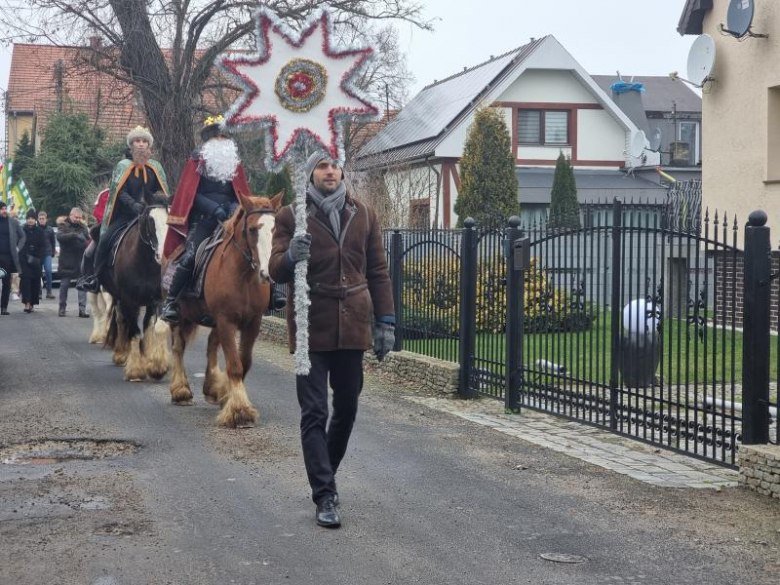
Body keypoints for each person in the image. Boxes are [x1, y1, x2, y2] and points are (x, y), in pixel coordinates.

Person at [268, 152, 396, 529]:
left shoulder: (365, 214)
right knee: (314, 413)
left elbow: (377, 270)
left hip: (353, 322)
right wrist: (291, 256)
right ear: (311, 172)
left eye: (334, 165)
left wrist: (385, 320)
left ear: (341, 171)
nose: (329, 171)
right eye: (322, 166)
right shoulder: (291, 215)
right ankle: (324, 494)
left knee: (348, 409)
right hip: (312, 324)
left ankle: (326, 470)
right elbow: (274, 268)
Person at [159, 115, 252, 322]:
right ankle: (171, 302)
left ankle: (269, 295)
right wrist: (214, 209)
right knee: (191, 256)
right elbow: (190, 193)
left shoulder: (235, 162)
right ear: (208, 139)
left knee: (254, 247)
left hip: (231, 218)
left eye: (222, 135)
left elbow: (239, 192)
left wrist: (235, 209)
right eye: (215, 136)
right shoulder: (196, 160)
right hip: (203, 219)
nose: (220, 139)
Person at [78, 127, 169, 293]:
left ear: (149, 145)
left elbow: (160, 191)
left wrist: (153, 203)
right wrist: (134, 205)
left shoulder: (155, 167)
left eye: (144, 141)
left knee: (166, 240)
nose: (140, 145)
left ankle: (171, 279)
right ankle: (95, 278)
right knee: (104, 240)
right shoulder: (122, 166)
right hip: (126, 216)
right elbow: (119, 192)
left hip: (149, 215)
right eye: (137, 141)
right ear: (131, 145)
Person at [56, 207, 90, 317]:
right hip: (66, 260)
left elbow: (86, 241)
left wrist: (81, 240)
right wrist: (74, 236)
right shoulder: (63, 225)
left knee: (82, 285)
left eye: (79, 218)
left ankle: (82, 309)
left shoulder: (83, 226)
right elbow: (60, 237)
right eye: (76, 217)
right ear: (70, 215)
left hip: (80, 259)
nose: (78, 219)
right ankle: (62, 308)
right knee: (64, 285)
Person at [0, 201, 25, 315]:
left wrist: (18, 248)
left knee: (6, 283)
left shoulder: (12, 222)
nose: (4, 211)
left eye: (5, 208)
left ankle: (4, 307)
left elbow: (22, 236)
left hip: (7, 257)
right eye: (2, 209)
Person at [19, 208, 44, 313]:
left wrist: (39, 256)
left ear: (35, 220)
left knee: (35, 282)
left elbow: (43, 245)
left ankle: (32, 302)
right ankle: (27, 303)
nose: (30, 220)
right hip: (24, 259)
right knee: (25, 281)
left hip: (36, 259)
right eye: (28, 218)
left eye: (32, 218)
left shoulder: (39, 231)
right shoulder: (22, 230)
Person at [38, 210, 56, 299]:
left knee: (48, 271)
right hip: (38, 255)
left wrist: (53, 252)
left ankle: (49, 291)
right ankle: (39, 292)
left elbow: (53, 241)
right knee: (38, 273)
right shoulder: (36, 228)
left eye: (43, 219)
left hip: (47, 253)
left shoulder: (50, 229)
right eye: (40, 219)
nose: (41, 220)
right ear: (38, 219)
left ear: (46, 219)